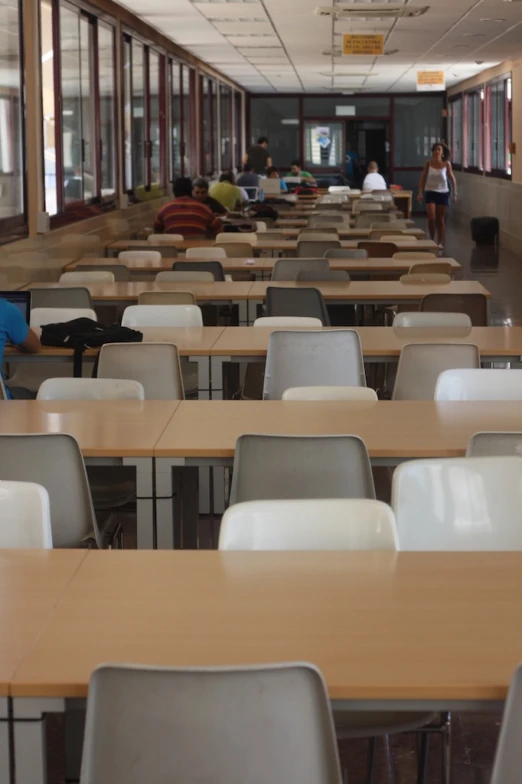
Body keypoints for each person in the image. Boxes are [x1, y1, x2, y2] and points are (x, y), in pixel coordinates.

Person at [417, 142, 457, 249]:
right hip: (430, 192)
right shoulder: (428, 163)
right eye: (435, 149)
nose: (436, 151)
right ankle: (431, 238)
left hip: (443, 193)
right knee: (431, 216)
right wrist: (420, 192)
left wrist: (454, 194)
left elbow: (452, 179)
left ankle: (440, 241)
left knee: (440, 218)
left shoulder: (446, 164)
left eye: (439, 149)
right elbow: (422, 178)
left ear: (442, 153)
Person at [154, 177, 222, 237]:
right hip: (197, 249)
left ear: (174, 192)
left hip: (172, 249)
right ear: (191, 191)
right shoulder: (204, 208)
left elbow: (156, 232)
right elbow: (219, 230)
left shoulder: (164, 208)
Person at [0, 298, 40, 399]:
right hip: (3, 406)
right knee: (28, 394)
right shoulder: (5, 309)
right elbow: (34, 347)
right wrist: (14, 339)